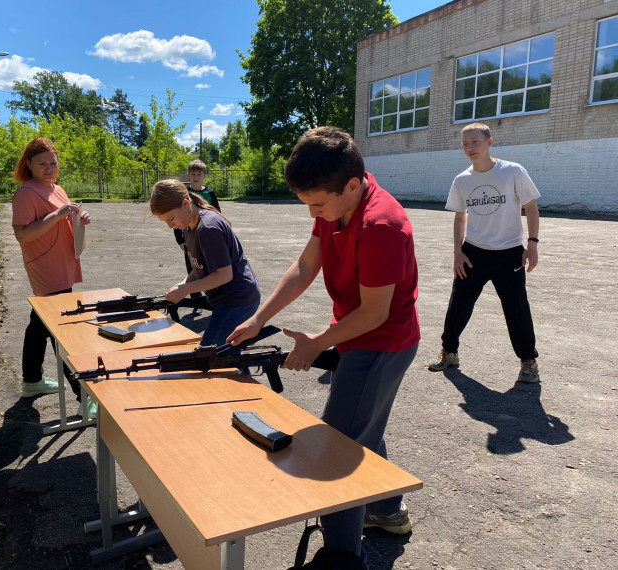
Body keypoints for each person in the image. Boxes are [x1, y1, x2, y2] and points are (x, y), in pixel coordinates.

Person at [228, 126, 420, 570]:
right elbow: (306, 264)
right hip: (356, 335)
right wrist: (260, 318)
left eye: (317, 204)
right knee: (360, 426)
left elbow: (374, 314)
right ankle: (389, 513)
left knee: (338, 446)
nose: (314, 213)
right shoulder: (337, 204)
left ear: (353, 184)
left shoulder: (382, 226)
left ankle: (343, 556)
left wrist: (316, 344)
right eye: (309, 205)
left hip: (381, 343)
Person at [428, 122, 540, 384]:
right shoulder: (462, 180)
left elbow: (531, 207)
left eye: (475, 142)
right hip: (473, 253)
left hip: (509, 253)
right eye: (465, 144)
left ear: (490, 142)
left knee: (516, 309)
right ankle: (449, 352)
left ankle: (528, 362)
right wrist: (457, 252)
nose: (469, 148)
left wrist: (532, 244)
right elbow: (459, 218)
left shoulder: (512, 171)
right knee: (459, 305)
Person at [11, 137, 96, 417]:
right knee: (62, 330)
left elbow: (65, 215)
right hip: (46, 266)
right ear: (29, 165)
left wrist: (78, 217)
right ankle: (84, 397)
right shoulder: (26, 193)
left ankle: (32, 381)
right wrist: (58, 216)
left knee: (40, 324)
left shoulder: (56, 188)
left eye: (53, 162)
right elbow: (23, 234)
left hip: (63, 262)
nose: (49, 168)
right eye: (42, 163)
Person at [150, 179, 260, 346]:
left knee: (212, 354)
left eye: (170, 218)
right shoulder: (188, 226)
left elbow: (224, 275)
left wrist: (186, 289)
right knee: (227, 356)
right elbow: (199, 269)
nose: (170, 226)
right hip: (228, 299)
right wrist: (182, 285)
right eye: (165, 221)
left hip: (238, 299)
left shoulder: (208, 229)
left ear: (186, 204)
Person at [172, 159, 221, 316]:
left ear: (204, 176)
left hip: (207, 237)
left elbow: (217, 213)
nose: (196, 177)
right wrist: (180, 240)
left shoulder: (210, 193)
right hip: (190, 238)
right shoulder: (185, 194)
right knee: (193, 269)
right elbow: (176, 216)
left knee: (211, 268)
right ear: (189, 175)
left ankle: (213, 300)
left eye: (199, 174)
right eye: (193, 174)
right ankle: (196, 302)